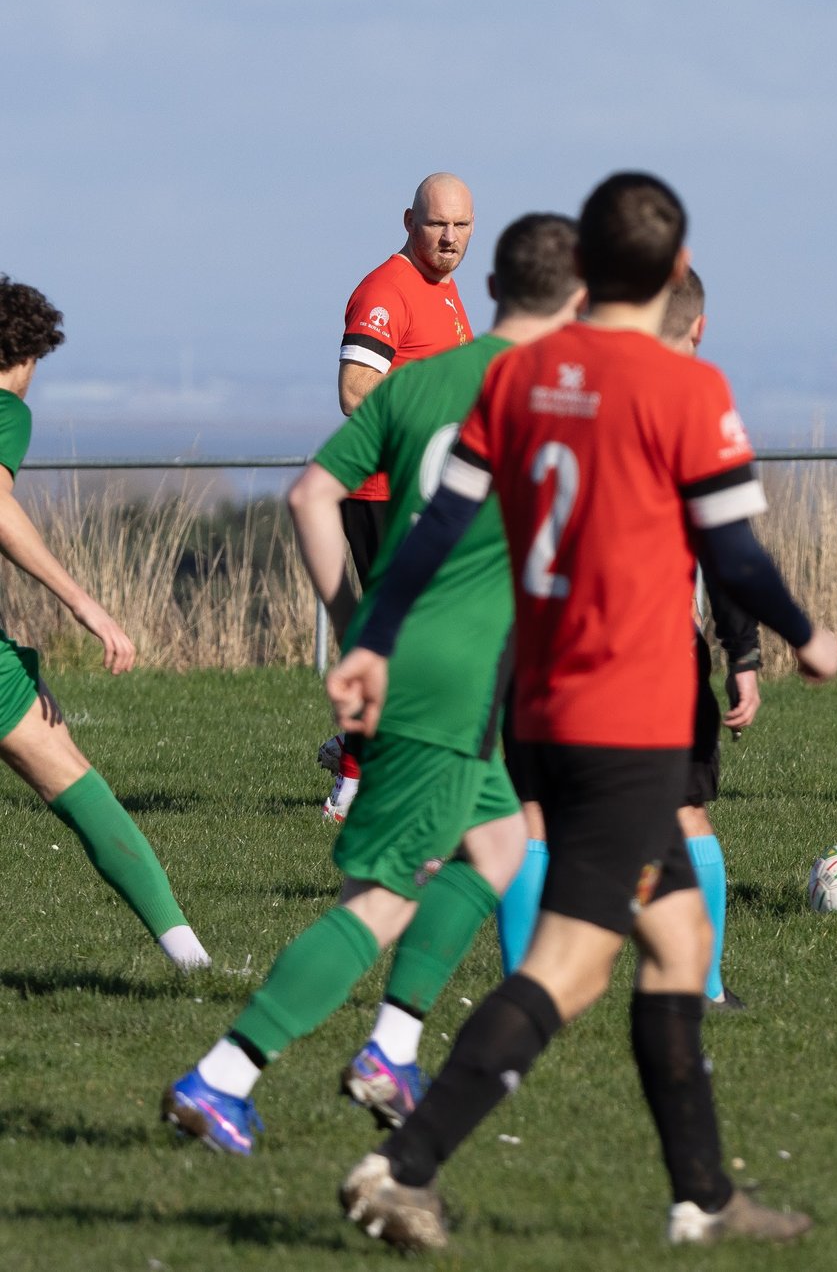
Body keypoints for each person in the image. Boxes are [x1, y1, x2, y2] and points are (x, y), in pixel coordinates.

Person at [325, 173, 837, 1249]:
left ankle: (703, 1192)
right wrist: (802, 629)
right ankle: (399, 1164)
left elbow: (429, 528)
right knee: (573, 961)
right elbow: (732, 547)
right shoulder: (683, 385)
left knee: (676, 935)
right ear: (675, 263)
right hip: (629, 714)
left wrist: (371, 637)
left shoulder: (518, 376)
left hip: (536, 702)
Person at [165, 214, 582, 1156]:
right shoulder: (552, 402)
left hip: (409, 651)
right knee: (381, 900)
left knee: (502, 844)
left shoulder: (420, 382)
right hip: (450, 674)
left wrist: (354, 626)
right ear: (577, 298)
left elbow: (311, 494)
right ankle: (223, 1075)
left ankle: (393, 1047)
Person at [491, 268, 761, 1011]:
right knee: (680, 812)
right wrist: (747, 654)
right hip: (653, 651)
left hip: (544, 643)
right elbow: (728, 552)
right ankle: (700, 986)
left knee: (535, 811)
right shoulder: (688, 406)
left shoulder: (556, 391)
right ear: (698, 328)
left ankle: (527, 985)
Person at [0, 276, 210, 971]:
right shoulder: (5, 406)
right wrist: (82, 603)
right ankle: (191, 960)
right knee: (78, 784)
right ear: (26, 357)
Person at [324, 174, 477, 824]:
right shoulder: (386, 289)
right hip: (384, 491)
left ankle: (363, 749)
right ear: (409, 219)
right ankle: (356, 778)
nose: (449, 237)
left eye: (461, 226)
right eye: (437, 223)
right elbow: (356, 390)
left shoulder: (442, 290)